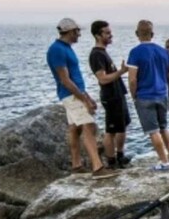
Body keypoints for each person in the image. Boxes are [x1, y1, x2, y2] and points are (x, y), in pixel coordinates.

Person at [45, 18, 119, 179]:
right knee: (88, 126)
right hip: (71, 95)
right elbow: (65, 79)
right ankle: (97, 168)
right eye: (77, 31)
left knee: (75, 128)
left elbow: (74, 77)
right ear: (70, 31)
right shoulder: (57, 50)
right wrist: (83, 99)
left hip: (74, 93)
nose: (79, 34)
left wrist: (87, 96)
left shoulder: (65, 48)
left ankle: (76, 165)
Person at [127, 20, 169, 171]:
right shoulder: (164, 52)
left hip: (144, 95)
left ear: (137, 34)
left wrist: (134, 95)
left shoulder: (135, 52)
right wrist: (164, 83)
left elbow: (132, 79)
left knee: (153, 131)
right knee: (164, 127)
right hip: (162, 94)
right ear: (152, 34)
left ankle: (164, 162)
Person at [89, 20, 132, 169]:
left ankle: (120, 155)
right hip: (111, 96)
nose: (110, 35)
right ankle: (111, 161)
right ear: (98, 35)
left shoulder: (103, 53)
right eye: (107, 33)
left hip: (118, 94)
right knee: (111, 129)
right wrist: (121, 72)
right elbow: (102, 78)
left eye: (109, 32)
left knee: (122, 126)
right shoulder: (96, 55)